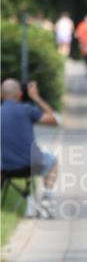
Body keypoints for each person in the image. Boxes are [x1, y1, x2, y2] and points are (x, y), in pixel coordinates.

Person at [1, 79, 60, 215]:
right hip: (31, 165)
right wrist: (36, 98)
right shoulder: (26, 110)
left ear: (1, 95)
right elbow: (55, 119)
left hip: (5, 169)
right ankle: (47, 198)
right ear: (20, 95)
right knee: (53, 161)